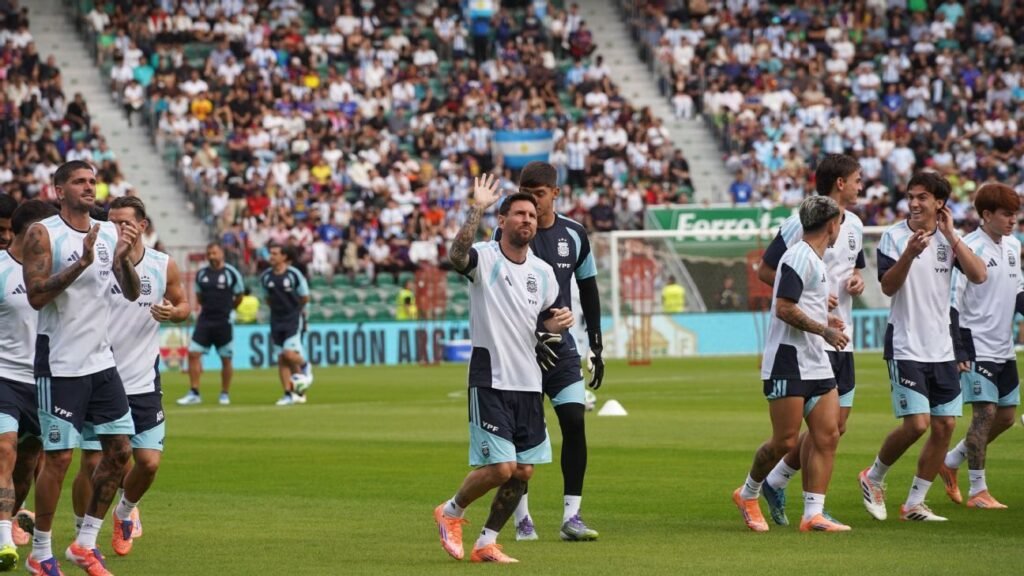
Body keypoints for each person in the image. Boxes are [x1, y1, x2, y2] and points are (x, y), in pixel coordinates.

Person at [433, 176, 571, 564]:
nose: (527, 219)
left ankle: (486, 542)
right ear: (503, 219)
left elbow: (542, 325)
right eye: (519, 214)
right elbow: (456, 257)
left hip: (529, 382)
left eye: (531, 214)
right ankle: (452, 511)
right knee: (501, 467)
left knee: (523, 471)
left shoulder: (543, 273)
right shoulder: (485, 256)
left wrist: (558, 323)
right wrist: (476, 207)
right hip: (491, 378)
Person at [23, 160, 142, 576]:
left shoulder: (109, 231)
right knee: (57, 459)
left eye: (93, 181)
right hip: (60, 364)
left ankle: (84, 543)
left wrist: (123, 260)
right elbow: (36, 296)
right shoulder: (43, 234)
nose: (89, 187)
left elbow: (130, 293)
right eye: (79, 182)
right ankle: (40, 551)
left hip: (101, 362)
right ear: (59, 190)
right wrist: (81, 263)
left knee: (121, 452)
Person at [859, 172, 986, 522]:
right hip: (905, 344)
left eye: (923, 197)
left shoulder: (948, 239)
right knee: (917, 425)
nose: (914, 203)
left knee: (944, 426)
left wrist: (952, 236)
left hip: (942, 348)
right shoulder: (893, 237)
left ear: (939, 203)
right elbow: (887, 286)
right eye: (911, 196)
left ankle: (914, 502)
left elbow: (978, 275)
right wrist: (910, 254)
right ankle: (873, 477)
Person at [70, 197, 190, 559]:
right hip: (100, 376)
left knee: (149, 463)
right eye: (112, 221)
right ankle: (82, 534)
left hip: (142, 381)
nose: (118, 227)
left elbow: (184, 304)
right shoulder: (98, 263)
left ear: (143, 224)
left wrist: (174, 312)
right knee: (91, 463)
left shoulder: (162, 264)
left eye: (125, 221)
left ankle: (124, 512)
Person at [495, 162, 604, 542]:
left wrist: (598, 346)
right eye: (526, 191)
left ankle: (571, 516)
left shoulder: (574, 234)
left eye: (539, 193)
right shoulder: (507, 233)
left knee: (574, 421)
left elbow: (588, 289)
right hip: (520, 352)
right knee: (524, 437)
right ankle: (522, 518)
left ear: (555, 193)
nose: (532, 201)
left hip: (562, 350)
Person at [754, 154, 865, 526]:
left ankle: (797, 497)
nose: (860, 186)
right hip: (806, 339)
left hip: (838, 337)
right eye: (856, 179)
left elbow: (854, 269)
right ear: (839, 183)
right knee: (795, 436)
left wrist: (855, 283)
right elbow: (769, 271)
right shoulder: (797, 229)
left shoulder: (857, 226)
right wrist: (807, 295)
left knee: (833, 430)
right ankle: (771, 487)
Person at [732, 195, 851, 533]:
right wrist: (824, 329)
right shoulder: (797, 257)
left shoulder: (816, 259)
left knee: (827, 434)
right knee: (784, 441)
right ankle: (748, 492)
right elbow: (784, 307)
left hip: (815, 360)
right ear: (831, 224)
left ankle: (814, 513)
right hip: (788, 360)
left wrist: (825, 318)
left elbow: (800, 304)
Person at [938, 183, 1023, 509]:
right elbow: (952, 303)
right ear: (986, 215)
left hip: (1004, 346)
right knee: (985, 414)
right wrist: (959, 349)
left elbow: (1018, 293)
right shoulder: (968, 248)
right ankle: (978, 491)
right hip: (975, 345)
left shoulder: (1014, 246)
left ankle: (952, 460)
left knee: (1005, 417)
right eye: (1006, 213)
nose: (1012, 219)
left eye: (1015, 213)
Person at [0, 200, 58, 569]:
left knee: (28, 465)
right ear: (28, 231)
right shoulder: (2, 268)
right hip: (3, 374)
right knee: (4, 451)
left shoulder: (55, 271)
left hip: (43, 380)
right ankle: (4, 540)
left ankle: (12, 518)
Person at [178, 243, 244, 406]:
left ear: (222, 253)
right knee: (193, 353)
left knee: (226, 358)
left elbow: (239, 295)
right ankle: (194, 392)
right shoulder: (202, 274)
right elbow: (199, 297)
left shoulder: (231, 273)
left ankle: (224, 393)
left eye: (214, 252)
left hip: (224, 321)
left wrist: (229, 309)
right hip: (205, 320)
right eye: (209, 253)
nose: (211, 256)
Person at [260, 245, 313, 406]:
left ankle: (306, 365)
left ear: (284, 257)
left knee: (290, 354)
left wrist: (294, 310)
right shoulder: (266, 277)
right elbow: (267, 299)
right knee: (283, 359)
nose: (271, 256)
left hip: (293, 319)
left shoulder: (293, 274)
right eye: (271, 253)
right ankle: (291, 393)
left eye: (275, 253)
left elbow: (304, 297)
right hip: (276, 320)